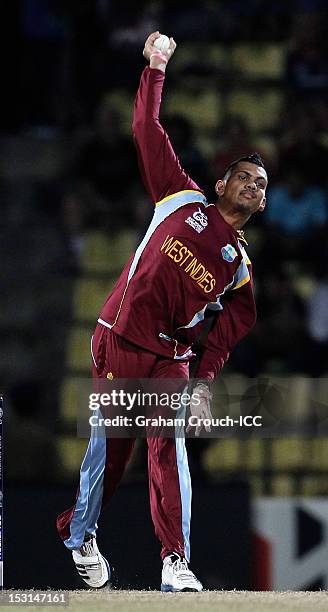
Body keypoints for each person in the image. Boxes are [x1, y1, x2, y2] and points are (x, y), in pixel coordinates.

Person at [56, 31, 268, 592]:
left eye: (261, 185)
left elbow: (236, 322)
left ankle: (177, 561)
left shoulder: (239, 265)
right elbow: (146, 129)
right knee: (111, 452)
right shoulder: (180, 196)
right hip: (119, 337)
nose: (252, 186)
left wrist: (205, 376)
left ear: (262, 204)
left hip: (170, 359)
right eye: (244, 176)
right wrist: (155, 68)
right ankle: (79, 535)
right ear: (220, 183)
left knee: (168, 449)